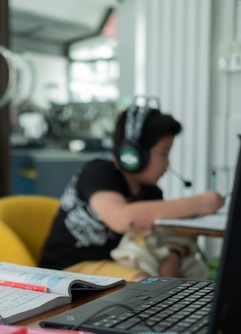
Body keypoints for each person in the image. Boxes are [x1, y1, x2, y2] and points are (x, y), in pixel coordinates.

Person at [39, 102, 224, 282]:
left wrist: (171, 259)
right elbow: (126, 220)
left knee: (192, 277)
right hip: (68, 269)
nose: (168, 164)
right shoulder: (98, 172)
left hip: (111, 263)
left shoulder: (151, 193)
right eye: (163, 153)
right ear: (134, 153)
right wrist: (201, 203)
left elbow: (161, 236)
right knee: (145, 286)